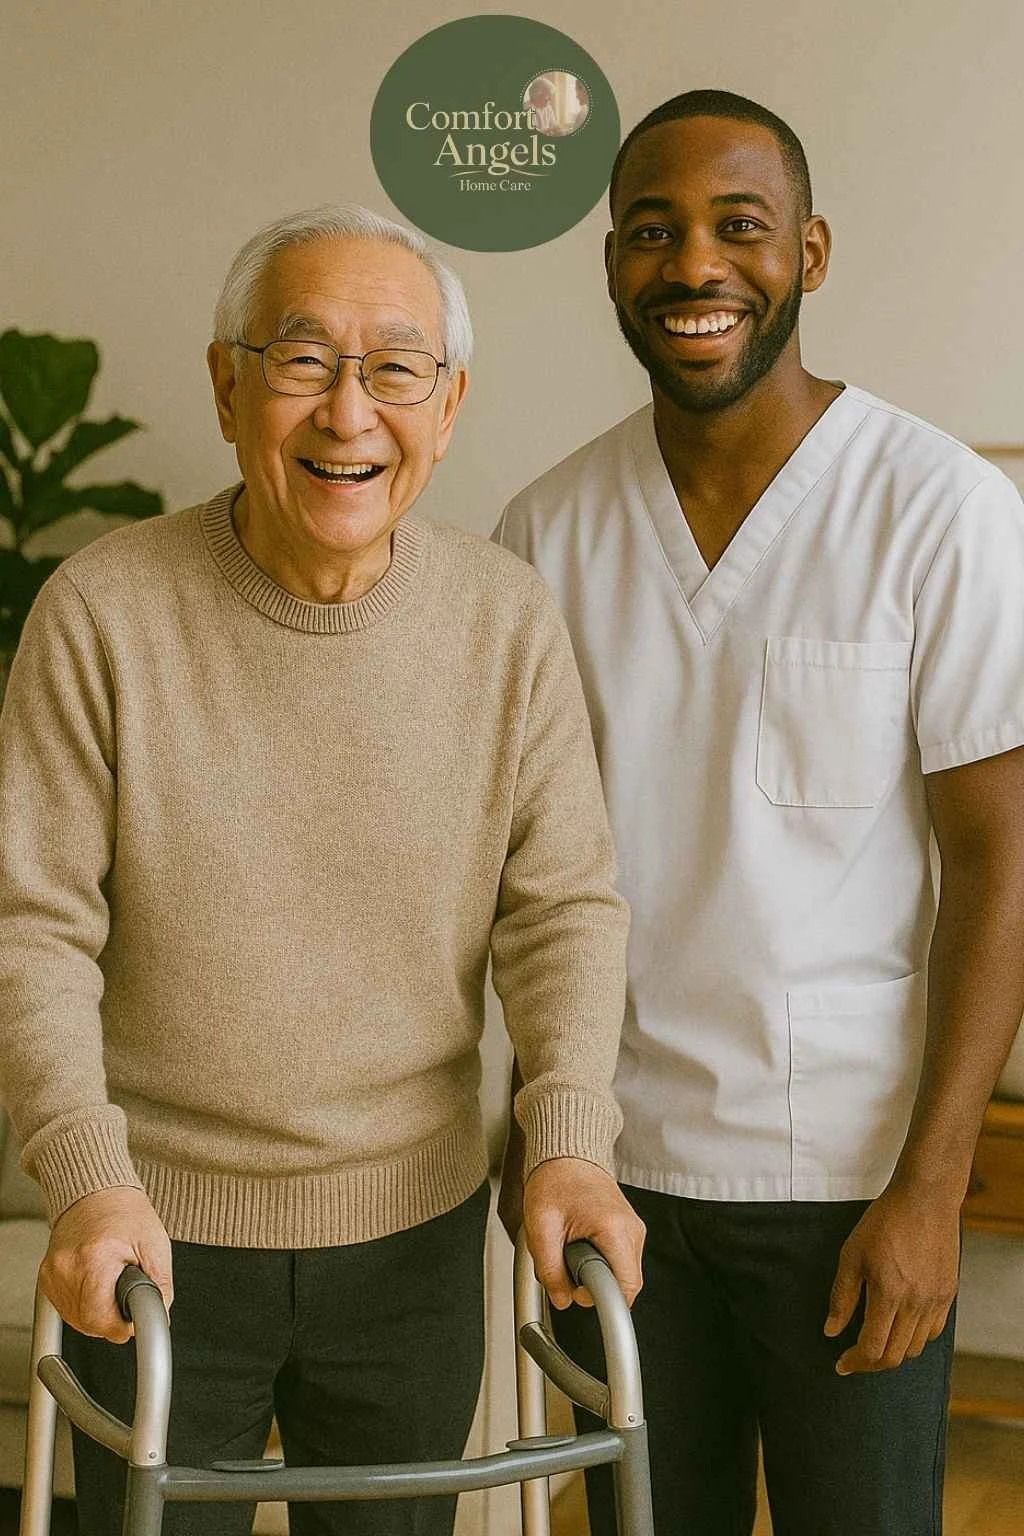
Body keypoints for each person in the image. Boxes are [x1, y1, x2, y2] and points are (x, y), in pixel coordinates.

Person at [0, 203, 645, 1536]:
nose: (350, 412)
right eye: (302, 359)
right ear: (229, 387)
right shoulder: (105, 610)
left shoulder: (505, 620)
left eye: (395, 367)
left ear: (448, 405)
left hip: (414, 1236)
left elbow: (562, 907)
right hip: (154, 1239)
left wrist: (570, 1135)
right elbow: (30, 925)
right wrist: (87, 1172)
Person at [496, 90, 1024, 1536]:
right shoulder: (547, 532)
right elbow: (526, 873)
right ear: (611, 263)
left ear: (813, 252)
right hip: (621, 1176)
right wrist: (543, 1129)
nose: (696, 266)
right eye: (653, 232)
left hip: (850, 1182)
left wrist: (933, 1191)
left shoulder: (938, 509)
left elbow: (1002, 857)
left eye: (741, 227)